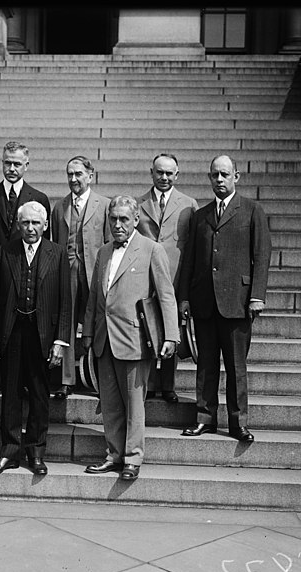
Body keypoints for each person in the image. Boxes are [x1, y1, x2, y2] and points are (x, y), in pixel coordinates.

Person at [82, 196, 180, 480]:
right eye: (113, 219)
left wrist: (171, 336)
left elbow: (165, 295)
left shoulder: (152, 249)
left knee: (135, 404)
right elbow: (94, 299)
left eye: (124, 219)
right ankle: (113, 454)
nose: (117, 224)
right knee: (110, 403)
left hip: (135, 341)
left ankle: (132, 459)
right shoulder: (102, 253)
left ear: (136, 220)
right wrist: (87, 333)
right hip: (104, 339)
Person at [177, 155, 272, 442]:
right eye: (215, 175)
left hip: (237, 303)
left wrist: (257, 296)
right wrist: (184, 299)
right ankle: (204, 418)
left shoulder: (252, 211)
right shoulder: (200, 216)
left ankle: (237, 422)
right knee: (206, 366)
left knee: (236, 367)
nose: (219, 180)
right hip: (204, 303)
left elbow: (261, 256)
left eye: (225, 175)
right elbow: (190, 261)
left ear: (236, 177)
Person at [0, 201, 71, 475]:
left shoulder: (56, 254)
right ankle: (9, 451)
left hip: (42, 333)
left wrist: (60, 341)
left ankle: (35, 452)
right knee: (10, 393)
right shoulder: (6, 251)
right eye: (25, 223)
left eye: (36, 223)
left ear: (45, 225)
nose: (30, 228)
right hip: (12, 331)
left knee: (38, 393)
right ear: (18, 225)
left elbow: (65, 302)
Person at [0, 141, 51, 400]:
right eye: (7, 162)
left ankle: (26, 380)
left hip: (26, 272)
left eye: (17, 163)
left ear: (26, 166)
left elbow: (43, 241)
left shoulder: (38, 198)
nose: (11, 168)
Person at [135, 153, 198, 403]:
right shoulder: (139, 203)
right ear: (151, 172)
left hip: (175, 274)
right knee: (149, 326)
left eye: (169, 173)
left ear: (177, 175)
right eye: (159, 172)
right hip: (146, 275)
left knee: (173, 326)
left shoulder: (188, 204)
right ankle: (150, 384)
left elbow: (192, 246)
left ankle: (168, 385)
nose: (164, 177)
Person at [50, 156, 110, 401]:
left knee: (98, 324)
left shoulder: (105, 205)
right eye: (69, 174)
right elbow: (55, 244)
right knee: (67, 322)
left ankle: (98, 377)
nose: (73, 179)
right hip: (69, 272)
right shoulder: (59, 207)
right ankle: (66, 380)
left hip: (95, 272)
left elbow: (109, 243)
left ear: (90, 175)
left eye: (78, 174)